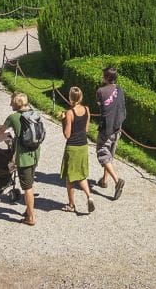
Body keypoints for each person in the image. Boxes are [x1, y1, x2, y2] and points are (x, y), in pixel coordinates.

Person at [4, 93, 43, 226]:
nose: (10, 104)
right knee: (30, 183)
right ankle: (28, 210)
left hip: (24, 158)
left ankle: (30, 217)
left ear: (16, 104)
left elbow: (1, 130)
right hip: (35, 154)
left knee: (27, 187)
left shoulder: (13, 117)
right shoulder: (34, 114)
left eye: (12, 102)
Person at [60, 86, 96, 214]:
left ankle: (71, 205)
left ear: (70, 98)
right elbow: (86, 129)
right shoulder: (86, 109)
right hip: (83, 145)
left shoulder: (70, 113)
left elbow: (67, 135)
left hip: (73, 147)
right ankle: (89, 196)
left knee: (70, 178)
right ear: (81, 97)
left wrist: (63, 120)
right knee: (81, 175)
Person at [94, 65, 128, 197]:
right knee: (109, 155)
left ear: (107, 77)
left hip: (106, 128)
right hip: (118, 127)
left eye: (103, 75)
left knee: (102, 153)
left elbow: (101, 107)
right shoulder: (120, 89)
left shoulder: (100, 91)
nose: (102, 77)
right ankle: (104, 180)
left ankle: (117, 180)